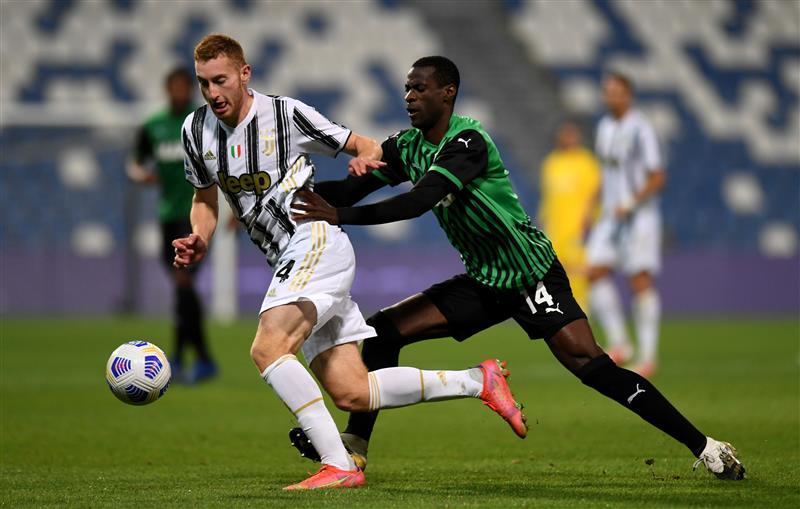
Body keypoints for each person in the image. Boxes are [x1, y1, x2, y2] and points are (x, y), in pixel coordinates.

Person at [290, 56, 745, 481]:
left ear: (447, 94)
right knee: (383, 332)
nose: (409, 96)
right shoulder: (404, 146)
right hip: (484, 281)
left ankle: (705, 446)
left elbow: (417, 201)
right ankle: (355, 442)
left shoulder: (467, 142)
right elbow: (351, 191)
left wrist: (337, 216)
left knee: (591, 365)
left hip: (531, 275)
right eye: (407, 89)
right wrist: (282, 194)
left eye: (420, 89)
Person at [172, 34, 528, 491]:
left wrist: (363, 160)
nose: (213, 93)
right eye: (204, 84)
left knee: (268, 347)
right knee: (351, 390)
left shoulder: (287, 115)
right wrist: (200, 236)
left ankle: (339, 465)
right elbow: (204, 197)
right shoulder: (194, 130)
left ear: (244, 74)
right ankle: (479, 381)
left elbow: (365, 145)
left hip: (314, 241)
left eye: (220, 80)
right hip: (286, 255)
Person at [128, 67, 217, 383]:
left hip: (198, 213)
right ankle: (200, 358)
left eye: (184, 87)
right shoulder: (154, 126)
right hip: (167, 215)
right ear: (168, 90)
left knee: (183, 283)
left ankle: (182, 359)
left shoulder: (203, 122)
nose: (180, 92)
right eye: (174, 87)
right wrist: (142, 175)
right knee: (183, 288)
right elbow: (135, 163)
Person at [587, 72, 666, 377]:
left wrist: (631, 203)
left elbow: (657, 175)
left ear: (628, 95)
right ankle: (620, 344)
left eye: (617, 92)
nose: (611, 97)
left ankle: (648, 357)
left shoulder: (641, 129)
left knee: (639, 280)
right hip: (609, 215)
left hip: (639, 216)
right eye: (607, 92)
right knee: (594, 272)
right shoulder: (604, 127)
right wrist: (590, 206)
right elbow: (605, 174)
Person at [537, 120, 600, 311]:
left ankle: (581, 312)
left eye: (571, 134)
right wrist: (543, 220)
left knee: (578, 273)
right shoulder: (551, 163)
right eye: (565, 134)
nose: (568, 138)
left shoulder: (586, 162)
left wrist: (590, 219)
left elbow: (595, 194)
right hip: (554, 229)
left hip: (576, 228)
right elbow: (547, 196)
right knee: (553, 273)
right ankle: (559, 313)